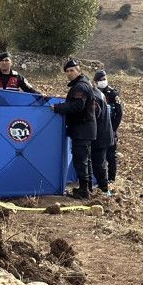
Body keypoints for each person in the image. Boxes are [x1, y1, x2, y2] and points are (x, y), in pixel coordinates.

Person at [51, 58, 97, 199]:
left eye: (72, 70)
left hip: (82, 129)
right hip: (84, 128)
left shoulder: (80, 86)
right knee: (85, 160)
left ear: (79, 71)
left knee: (80, 160)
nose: (69, 73)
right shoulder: (81, 84)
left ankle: (84, 191)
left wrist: (57, 107)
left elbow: (77, 106)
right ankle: (87, 188)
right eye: (67, 71)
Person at [94, 69, 123, 185]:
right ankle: (100, 179)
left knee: (111, 155)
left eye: (104, 79)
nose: (103, 81)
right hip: (98, 129)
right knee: (99, 156)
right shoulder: (95, 93)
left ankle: (111, 178)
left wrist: (113, 129)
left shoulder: (112, 93)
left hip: (111, 128)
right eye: (100, 80)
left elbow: (119, 113)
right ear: (96, 82)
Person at [91, 78, 114, 197]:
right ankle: (102, 187)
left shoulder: (94, 97)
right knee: (100, 163)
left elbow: (94, 115)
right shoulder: (99, 93)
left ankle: (104, 189)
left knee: (99, 163)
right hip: (104, 134)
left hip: (100, 135)